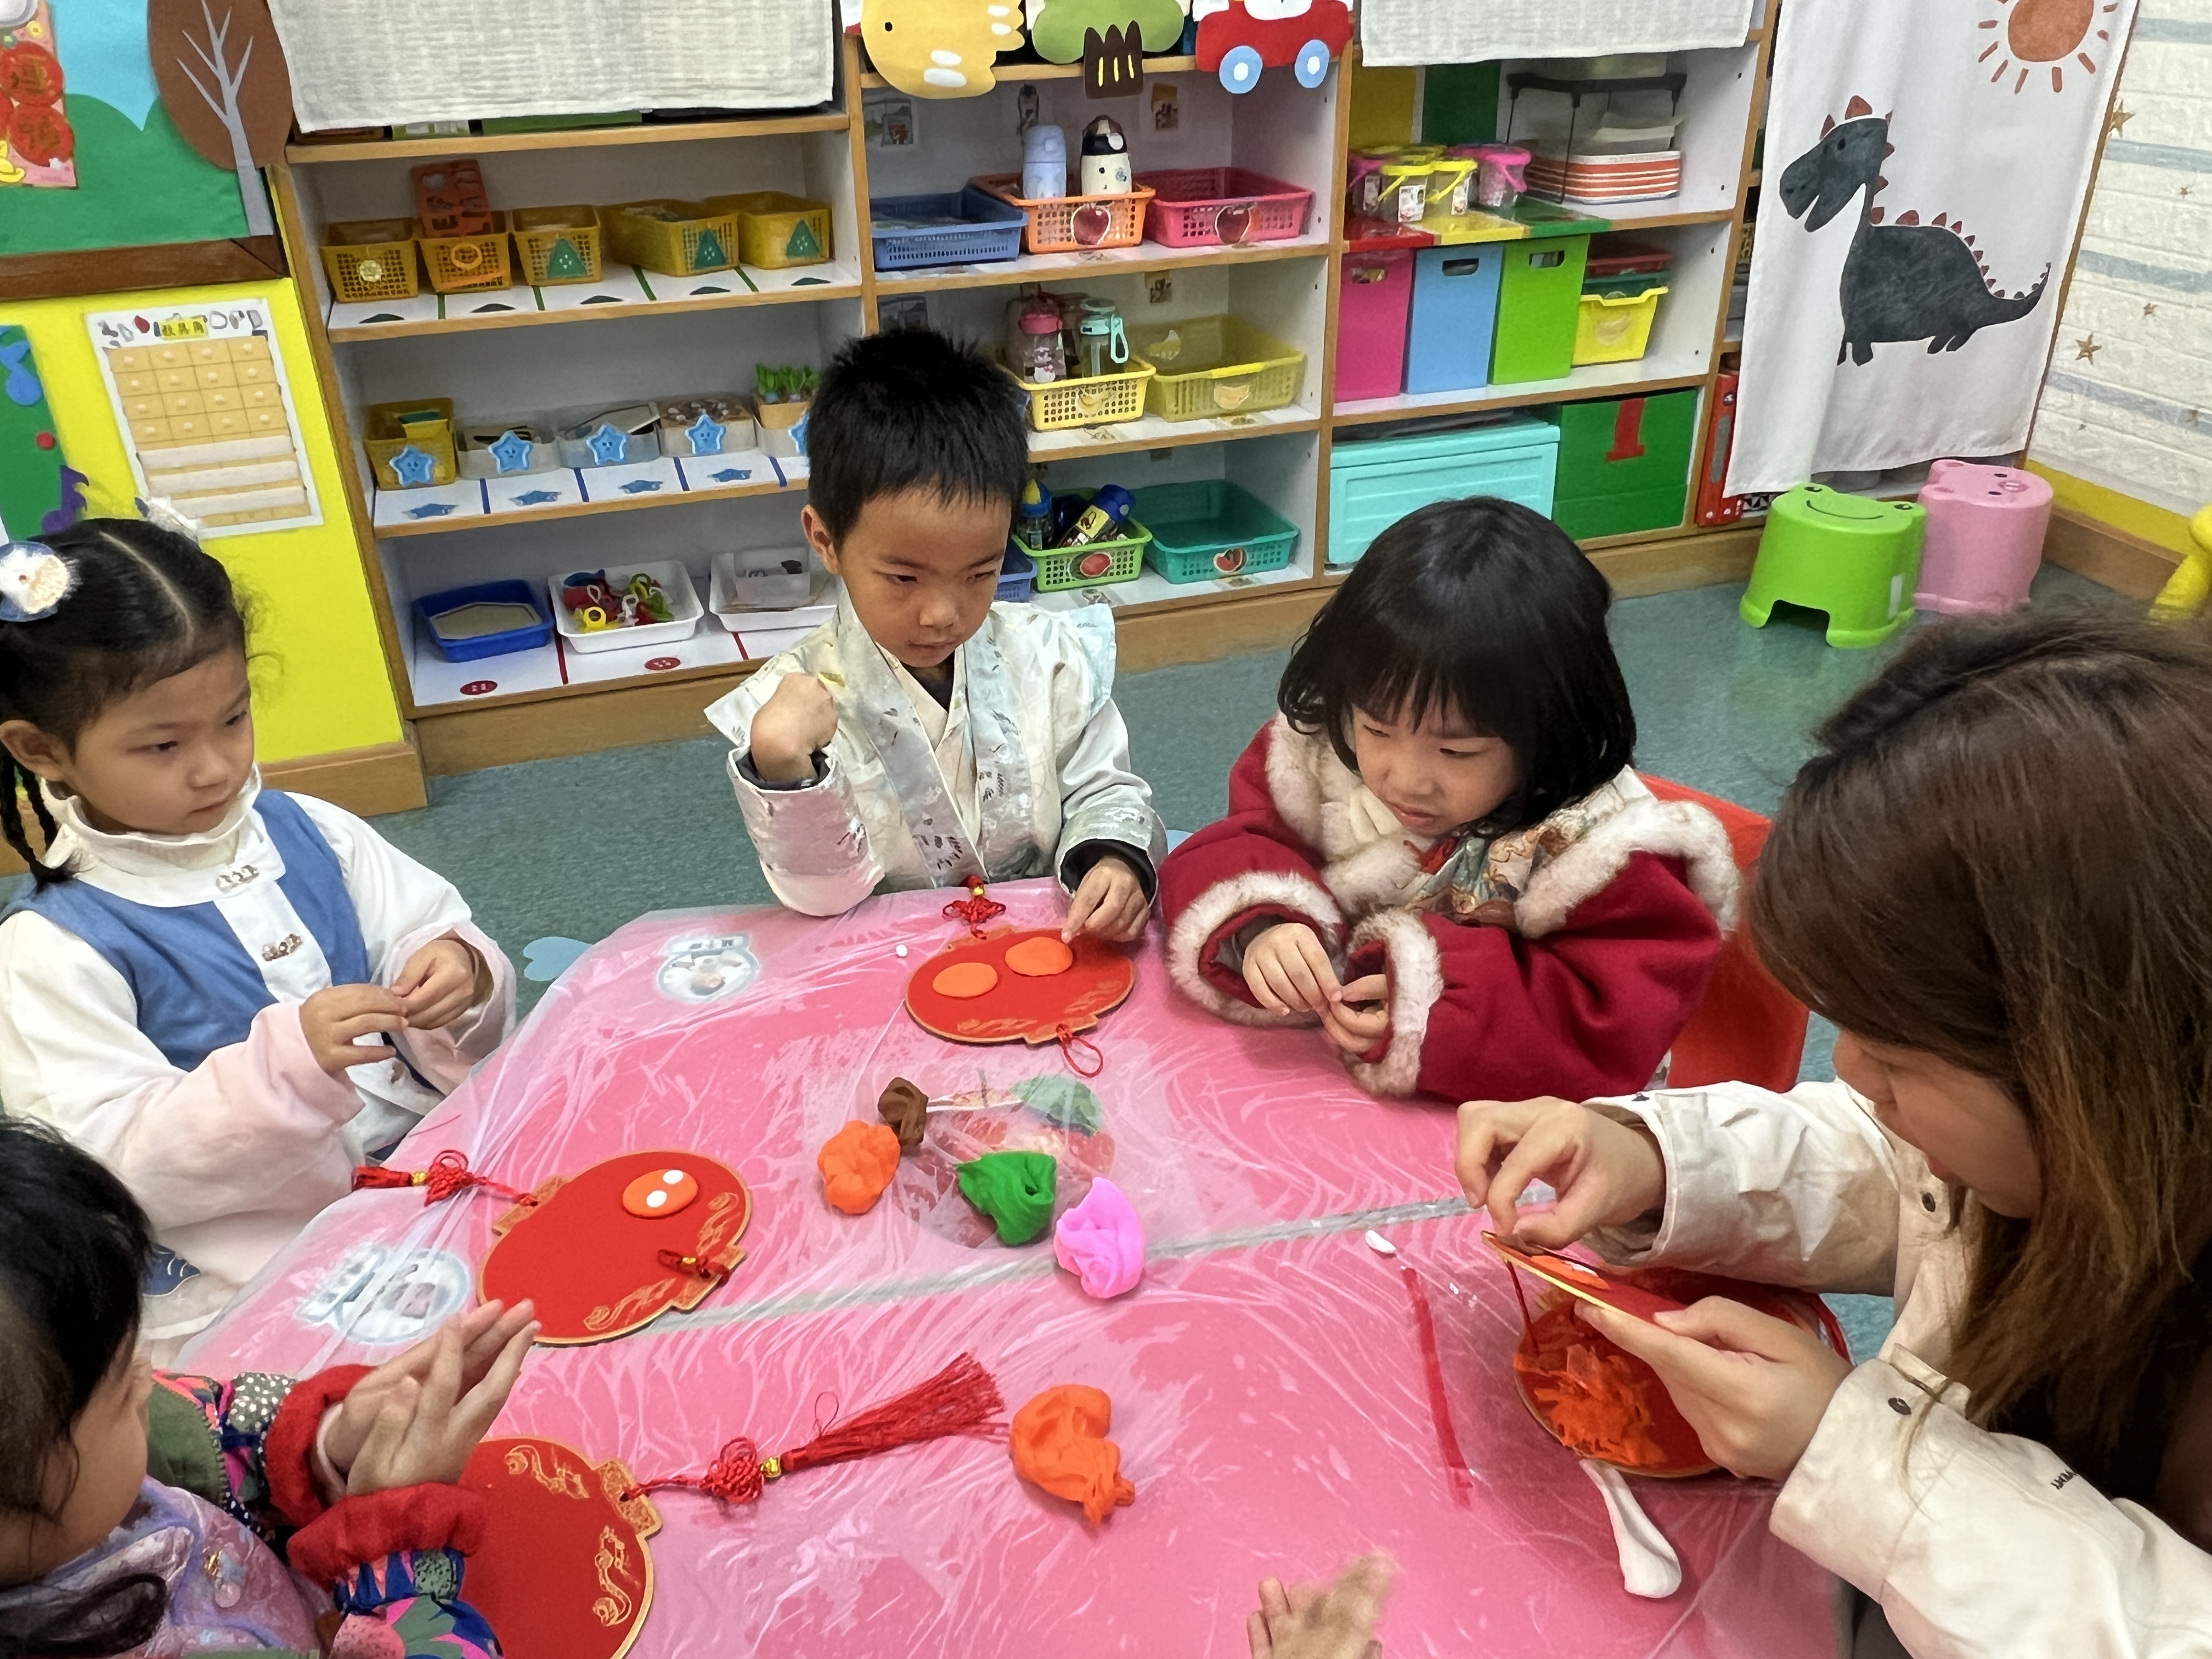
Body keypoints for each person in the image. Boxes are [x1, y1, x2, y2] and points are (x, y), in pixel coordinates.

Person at [1458, 612, 2212, 1657]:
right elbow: (1899, 1173)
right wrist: (1655, 1160)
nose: (1849, 1068)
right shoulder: (2075, 1147)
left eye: (1897, 1054)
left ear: (2096, 1065)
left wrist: (1855, 1457)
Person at [0, 516, 515, 1351]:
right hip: (259, 1249)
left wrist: (460, 967)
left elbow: (425, 923)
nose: (215, 767)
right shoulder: (51, 951)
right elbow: (105, 1167)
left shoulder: (310, 829)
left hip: (431, 1152)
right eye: (163, 745)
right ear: (42, 750)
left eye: (234, 719)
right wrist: (285, 1071)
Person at [1158, 498, 1736, 1102]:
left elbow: (1610, 1023)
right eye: (1377, 729)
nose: (1406, 780)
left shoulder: (1606, 851)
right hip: (1316, 1093)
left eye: (1456, 752)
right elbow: (1244, 841)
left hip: (1513, 1120)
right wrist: (1264, 927)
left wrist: (1429, 1009)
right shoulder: (1315, 752)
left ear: (1550, 727)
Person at [0, 1115, 534, 1657]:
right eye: (120, 1390)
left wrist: (328, 1443)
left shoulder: (85, 1444)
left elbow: (211, 1429)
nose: (147, 1376)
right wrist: (398, 1554)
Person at [705, 330, 1165, 940]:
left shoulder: (1049, 654)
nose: (942, 614)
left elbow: (1104, 788)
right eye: (904, 577)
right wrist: (784, 767)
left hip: (1045, 938)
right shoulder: (793, 709)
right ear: (825, 541)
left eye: (981, 573)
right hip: (889, 953)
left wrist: (1111, 858)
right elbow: (823, 900)